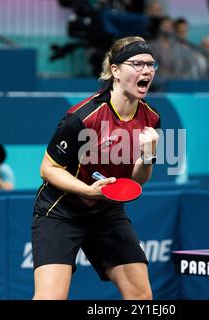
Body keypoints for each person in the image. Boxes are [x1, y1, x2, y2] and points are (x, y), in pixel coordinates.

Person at [32, 36, 160, 300]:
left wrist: (148, 157)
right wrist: (88, 191)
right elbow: (48, 169)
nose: (147, 70)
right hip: (61, 210)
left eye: (151, 64)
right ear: (115, 70)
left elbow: (136, 182)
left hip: (106, 212)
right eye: (137, 64)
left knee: (141, 296)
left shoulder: (151, 118)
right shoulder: (82, 117)